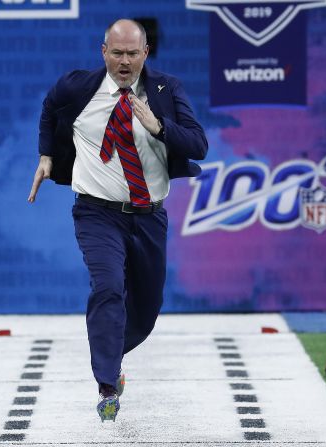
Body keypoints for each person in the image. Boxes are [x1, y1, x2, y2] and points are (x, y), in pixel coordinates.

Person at [27, 19, 208, 422]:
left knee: (145, 311)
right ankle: (107, 384)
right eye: (117, 53)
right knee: (107, 287)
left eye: (132, 53)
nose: (124, 62)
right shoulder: (78, 87)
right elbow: (48, 108)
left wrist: (158, 127)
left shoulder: (166, 90)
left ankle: (112, 353)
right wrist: (46, 155)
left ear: (145, 53)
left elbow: (199, 144)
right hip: (96, 213)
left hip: (149, 217)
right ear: (103, 51)